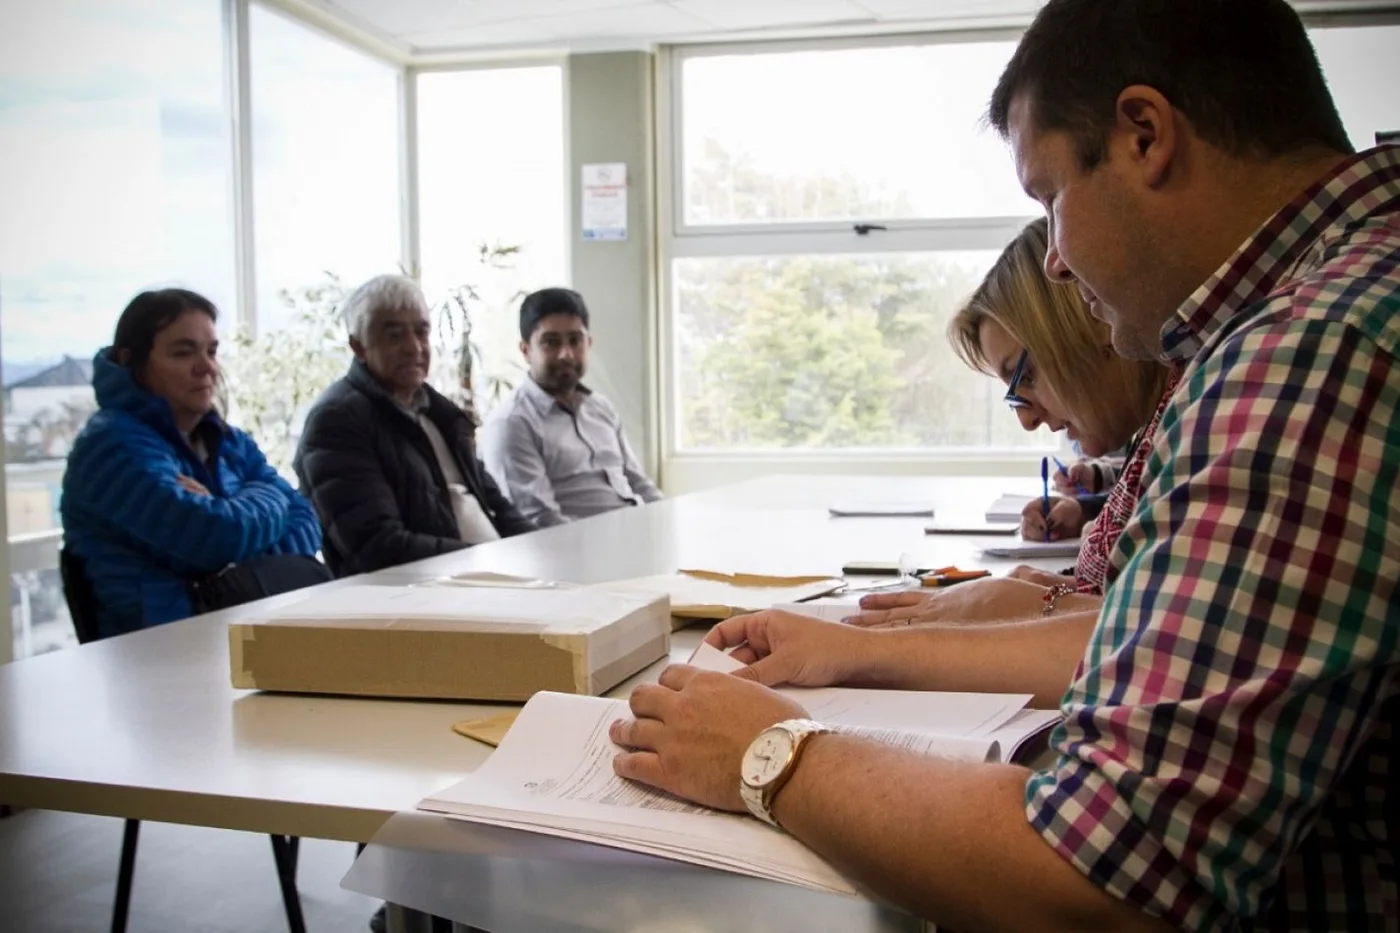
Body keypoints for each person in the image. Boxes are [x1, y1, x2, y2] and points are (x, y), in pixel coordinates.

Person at [607, 2, 1399, 930]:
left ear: (1145, 135)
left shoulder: (1310, 352)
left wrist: (772, 753)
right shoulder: (1349, 297)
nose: (1055, 262)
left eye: (1049, 198)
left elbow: (1106, 880)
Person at [851, 217, 1175, 628]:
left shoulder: (1204, 418)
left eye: (1026, 377)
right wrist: (1057, 588)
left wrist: (1035, 607)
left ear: (1089, 317)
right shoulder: (1160, 433)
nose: (1027, 419)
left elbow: (1158, 640)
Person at [62, 289, 325, 639]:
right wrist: (267, 504)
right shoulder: (111, 446)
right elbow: (216, 537)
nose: (207, 367)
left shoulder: (229, 441)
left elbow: (307, 523)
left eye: (212, 351)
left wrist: (231, 515)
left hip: (232, 635)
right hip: (156, 653)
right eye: (183, 352)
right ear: (132, 361)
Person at [294, 275, 534, 576]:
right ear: (359, 346)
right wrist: (488, 560)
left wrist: (537, 548)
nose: (414, 347)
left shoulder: (439, 413)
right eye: (394, 336)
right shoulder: (337, 420)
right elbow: (378, 547)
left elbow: (498, 504)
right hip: (417, 598)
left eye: (422, 332)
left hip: (488, 577)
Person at [480, 287, 662, 526]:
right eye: (551, 343)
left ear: (589, 342)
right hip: (578, 553)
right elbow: (540, 522)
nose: (566, 354)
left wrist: (669, 523)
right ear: (526, 350)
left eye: (575, 341)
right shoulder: (512, 424)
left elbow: (639, 484)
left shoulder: (600, 408)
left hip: (635, 535)